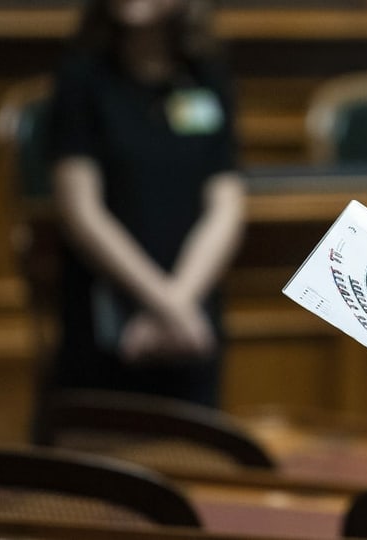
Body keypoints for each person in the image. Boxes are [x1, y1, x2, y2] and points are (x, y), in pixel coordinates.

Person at [41, 0, 245, 409]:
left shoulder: (205, 77)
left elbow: (227, 203)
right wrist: (165, 305)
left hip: (193, 316)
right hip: (109, 315)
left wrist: (181, 304)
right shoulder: (82, 79)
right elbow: (81, 211)